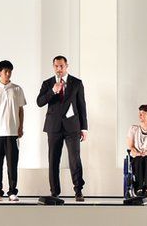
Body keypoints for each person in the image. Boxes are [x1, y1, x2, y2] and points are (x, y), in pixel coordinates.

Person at [36, 55, 89, 201]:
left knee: (74, 159)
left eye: (61, 66)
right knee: (53, 160)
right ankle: (54, 192)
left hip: (72, 126)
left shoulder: (77, 83)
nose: (59, 69)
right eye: (56, 66)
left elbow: (81, 106)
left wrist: (84, 128)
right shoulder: (47, 83)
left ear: (67, 66)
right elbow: (39, 102)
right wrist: (52, 91)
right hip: (53, 127)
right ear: (53, 66)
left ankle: (78, 190)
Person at [0, 59, 26, 202]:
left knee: (12, 163)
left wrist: (20, 127)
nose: (8, 74)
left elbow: (21, 110)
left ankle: (12, 191)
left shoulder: (17, 89)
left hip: (12, 133)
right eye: (5, 71)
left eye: (9, 71)